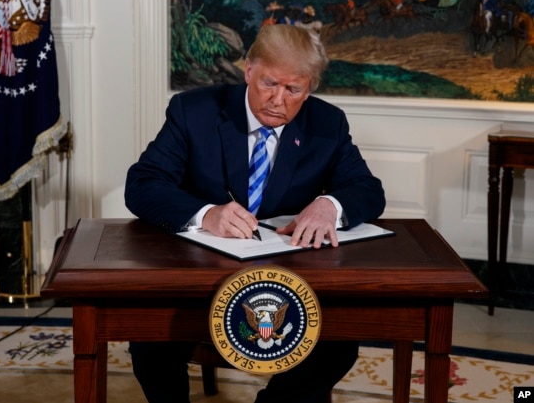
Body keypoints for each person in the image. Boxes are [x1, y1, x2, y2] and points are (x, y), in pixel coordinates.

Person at [124, 24, 386, 403]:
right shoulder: (194, 111)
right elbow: (143, 183)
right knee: (151, 344)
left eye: (293, 89)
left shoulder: (327, 124)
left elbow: (368, 190)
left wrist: (329, 206)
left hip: (291, 279)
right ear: (248, 70)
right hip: (199, 274)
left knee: (338, 345)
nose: (277, 100)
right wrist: (206, 213)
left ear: (309, 88)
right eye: (268, 84)